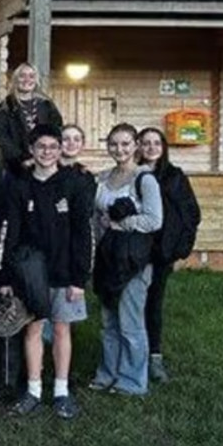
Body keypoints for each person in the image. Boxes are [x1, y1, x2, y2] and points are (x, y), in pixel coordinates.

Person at [0, 124, 93, 419]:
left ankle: (62, 391)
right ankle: (34, 389)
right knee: (34, 328)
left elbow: (83, 234)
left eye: (53, 147)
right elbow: (10, 233)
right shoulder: (19, 185)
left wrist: (80, 278)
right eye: (41, 147)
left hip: (65, 272)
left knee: (63, 329)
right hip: (31, 273)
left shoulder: (74, 183)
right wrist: (6, 277)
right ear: (32, 149)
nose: (47, 152)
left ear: (60, 149)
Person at [90, 123, 163, 397]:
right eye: (114, 144)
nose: (119, 149)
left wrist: (123, 223)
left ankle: (132, 380)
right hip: (108, 258)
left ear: (135, 146)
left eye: (125, 144)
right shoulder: (104, 178)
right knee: (108, 322)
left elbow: (155, 220)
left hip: (133, 261)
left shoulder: (145, 179)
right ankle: (108, 373)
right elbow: (97, 216)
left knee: (130, 322)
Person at [137, 126, 200, 383]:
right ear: (138, 147)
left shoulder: (174, 176)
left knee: (154, 304)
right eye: (146, 143)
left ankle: (154, 357)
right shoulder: (133, 174)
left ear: (163, 148)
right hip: (136, 250)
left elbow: (191, 214)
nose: (151, 147)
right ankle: (132, 355)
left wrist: (180, 247)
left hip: (162, 252)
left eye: (156, 143)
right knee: (131, 303)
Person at [0, 62, 63, 175]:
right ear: (15, 79)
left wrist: (43, 156)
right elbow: (1, 137)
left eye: (31, 76)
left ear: (36, 80)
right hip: (15, 167)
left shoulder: (47, 105)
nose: (27, 79)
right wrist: (22, 159)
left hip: (45, 164)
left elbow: (56, 131)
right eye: (22, 76)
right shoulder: (6, 107)